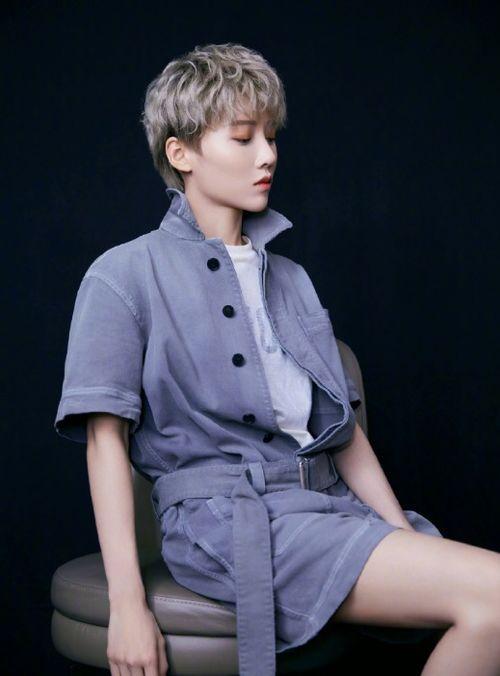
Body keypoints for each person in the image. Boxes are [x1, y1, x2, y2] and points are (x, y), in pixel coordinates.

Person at [54, 43, 500, 676]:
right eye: (243, 138)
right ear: (180, 153)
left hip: (325, 507)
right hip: (223, 524)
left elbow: (341, 434)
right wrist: (127, 604)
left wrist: (396, 529)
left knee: (488, 605)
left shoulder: (292, 279)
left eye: (270, 136)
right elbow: (105, 444)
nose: (267, 155)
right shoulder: (123, 275)